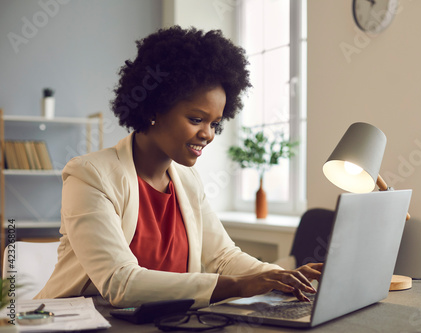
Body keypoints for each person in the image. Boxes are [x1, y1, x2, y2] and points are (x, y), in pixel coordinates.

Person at [36, 26, 322, 309]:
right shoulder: (90, 175)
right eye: (196, 119)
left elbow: (222, 256)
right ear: (152, 109)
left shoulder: (187, 179)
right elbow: (119, 282)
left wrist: (281, 277)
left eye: (215, 124)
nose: (208, 134)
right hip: (87, 324)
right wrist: (237, 286)